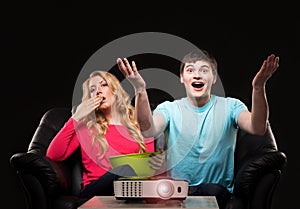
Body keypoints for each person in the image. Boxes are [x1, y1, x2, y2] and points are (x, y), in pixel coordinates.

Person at [116, 50, 279, 209]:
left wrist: (258, 88)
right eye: (190, 70)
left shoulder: (231, 106)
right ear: (182, 78)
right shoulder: (169, 109)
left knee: (210, 191)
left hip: (214, 191)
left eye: (204, 70)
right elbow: (147, 130)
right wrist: (140, 89)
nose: (197, 75)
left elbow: (257, 128)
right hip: (177, 192)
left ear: (213, 77)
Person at [46, 70, 157, 198]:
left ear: (115, 92)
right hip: (95, 192)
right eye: (93, 89)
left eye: (103, 85)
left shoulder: (137, 125)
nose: (98, 91)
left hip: (130, 191)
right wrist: (76, 118)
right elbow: (53, 155)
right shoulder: (86, 126)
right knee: (124, 169)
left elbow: (149, 166)